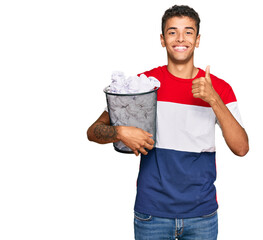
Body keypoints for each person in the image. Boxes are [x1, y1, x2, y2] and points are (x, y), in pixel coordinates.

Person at [87, 5, 249, 240]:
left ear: (198, 39)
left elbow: (241, 148)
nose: (180, 38)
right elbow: (93, 131)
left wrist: (214, 99)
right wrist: (120, 132)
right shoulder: (143, 85)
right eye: (172, 32)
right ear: (162, 40)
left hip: (201, 215)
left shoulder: (219, 88)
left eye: (188, 32)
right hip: (151, 214)